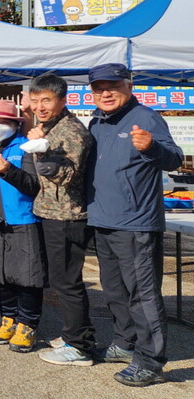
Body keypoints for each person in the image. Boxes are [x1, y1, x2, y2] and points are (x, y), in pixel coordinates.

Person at [84, 63, 181, 387]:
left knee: (143, 294)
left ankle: (150, 361)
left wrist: (151, 147)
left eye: (113, 86)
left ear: (128, 85)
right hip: (102, 220)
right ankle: (124, 344)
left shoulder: (147, 118)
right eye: (99, 88)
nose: (106, 93)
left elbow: (174, 158)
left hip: (136, 223)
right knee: (114, 290)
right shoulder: (96, 121)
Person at [29, 74, 98, 367]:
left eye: (46, 100)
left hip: (67, 216)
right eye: (35, 101)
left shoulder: (71, 131)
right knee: (61, 279)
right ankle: (76, 333)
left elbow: (66, 175)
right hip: (52, 213)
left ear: (61, 100)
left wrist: (42, 148)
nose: (39, 107)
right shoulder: (50, 127)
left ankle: (79, 347)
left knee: (67, 281)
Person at [0, 100, 44, 354]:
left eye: (4, 122)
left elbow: (35, 186)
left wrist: (8, 171)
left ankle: (27, 325)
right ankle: (8, 319)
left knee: (27, 278)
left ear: (15, 124)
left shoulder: (26, 147)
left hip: (24, 221)